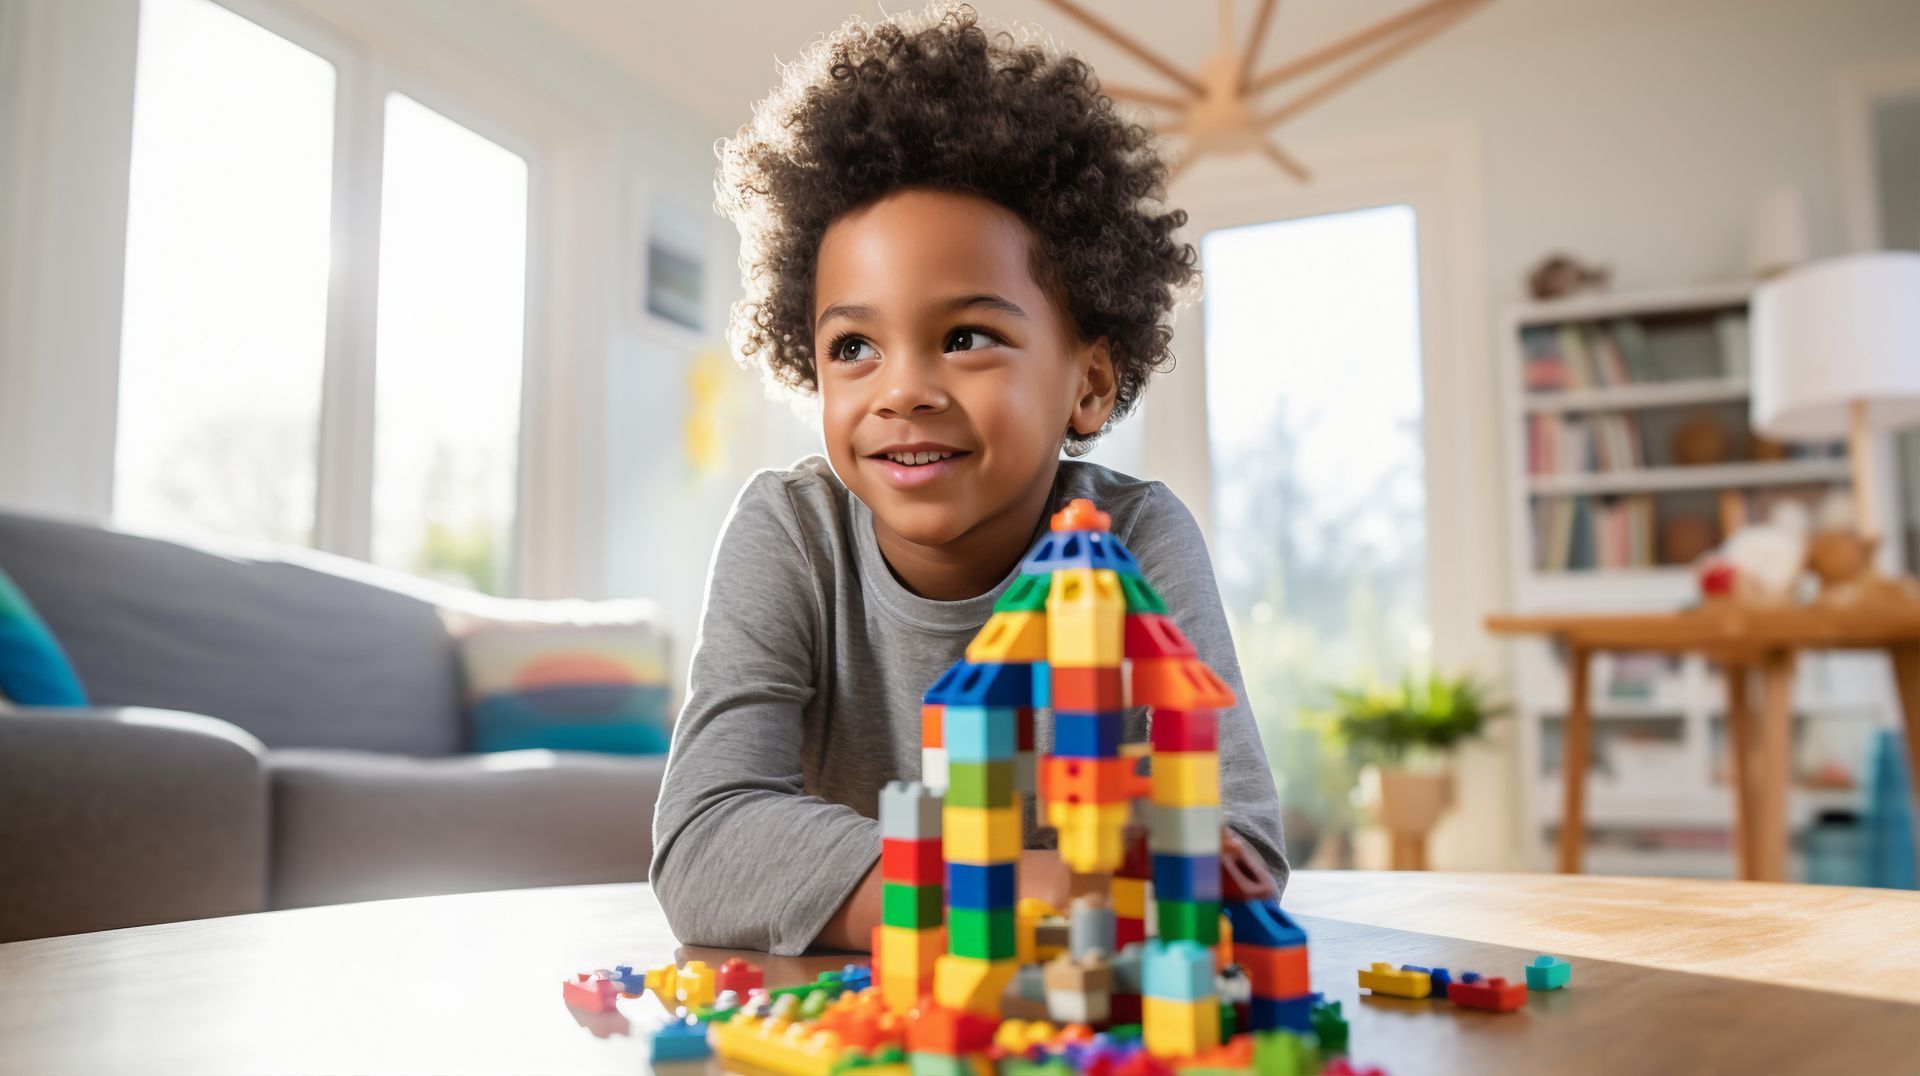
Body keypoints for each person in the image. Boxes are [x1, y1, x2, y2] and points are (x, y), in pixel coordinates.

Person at [650, 3, 1286, 956]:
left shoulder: (1136, 539)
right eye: (853, 345)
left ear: (1089, 383)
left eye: (966, 338)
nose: (903, 389)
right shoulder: (791, 533)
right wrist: (1000, 890)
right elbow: (704, 841)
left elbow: (1239, 848)